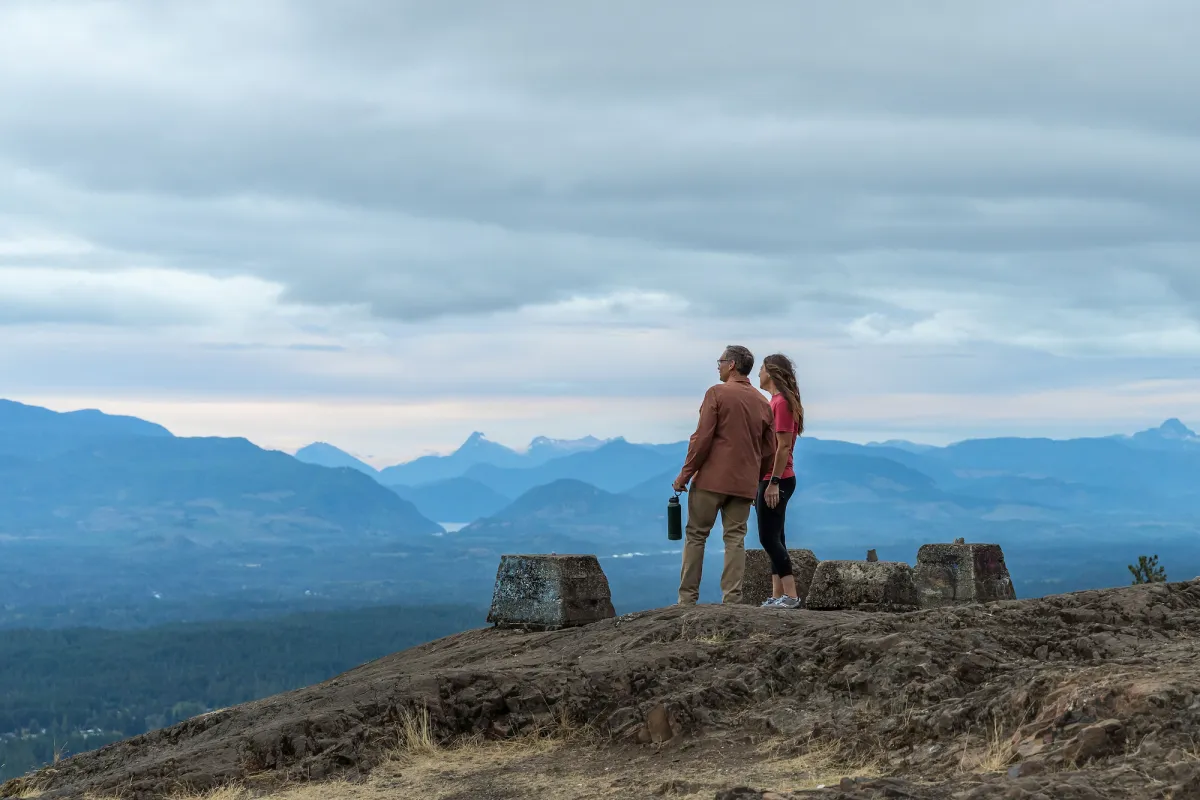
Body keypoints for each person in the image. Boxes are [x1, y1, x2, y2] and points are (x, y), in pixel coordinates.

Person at [673, 345, 777, 605]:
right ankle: (732, 600)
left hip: (710, 480)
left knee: (697, 535)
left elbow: (702, 439)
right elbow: (769, 450)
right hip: (744, 485)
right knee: (735, 539)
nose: (718, 366)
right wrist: (756, 479)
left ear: (731, 365)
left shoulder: (716, 393)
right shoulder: (763, 403)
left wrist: (685, 474)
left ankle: (687, 600)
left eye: (720, 361)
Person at [755, 353, 805, 608]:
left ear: (772, 372)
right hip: (770, 477)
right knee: (776, 536)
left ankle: (792, 597)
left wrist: (773, 481)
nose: (758, 373)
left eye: (762, 368)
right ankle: (778, 596)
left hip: (778, 478)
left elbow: (783, 446)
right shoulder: (775, 401)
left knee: (768, 538)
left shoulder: (782, 403)